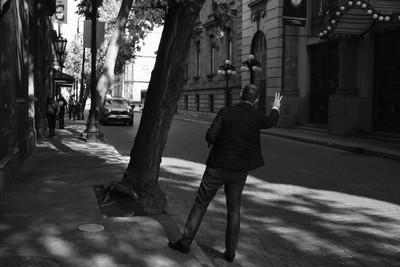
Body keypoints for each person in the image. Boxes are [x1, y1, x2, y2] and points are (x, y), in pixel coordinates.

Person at [167, 84, 283, 262]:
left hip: (217, 167)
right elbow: (271, 121)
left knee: (200, 204)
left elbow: (210, 137)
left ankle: (184, 242)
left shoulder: (226, 112)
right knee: (234, 209)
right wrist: (276, 106)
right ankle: (230, 253)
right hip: (239, 172)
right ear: (257, 100)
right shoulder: (257, 116)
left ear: (239, 95)